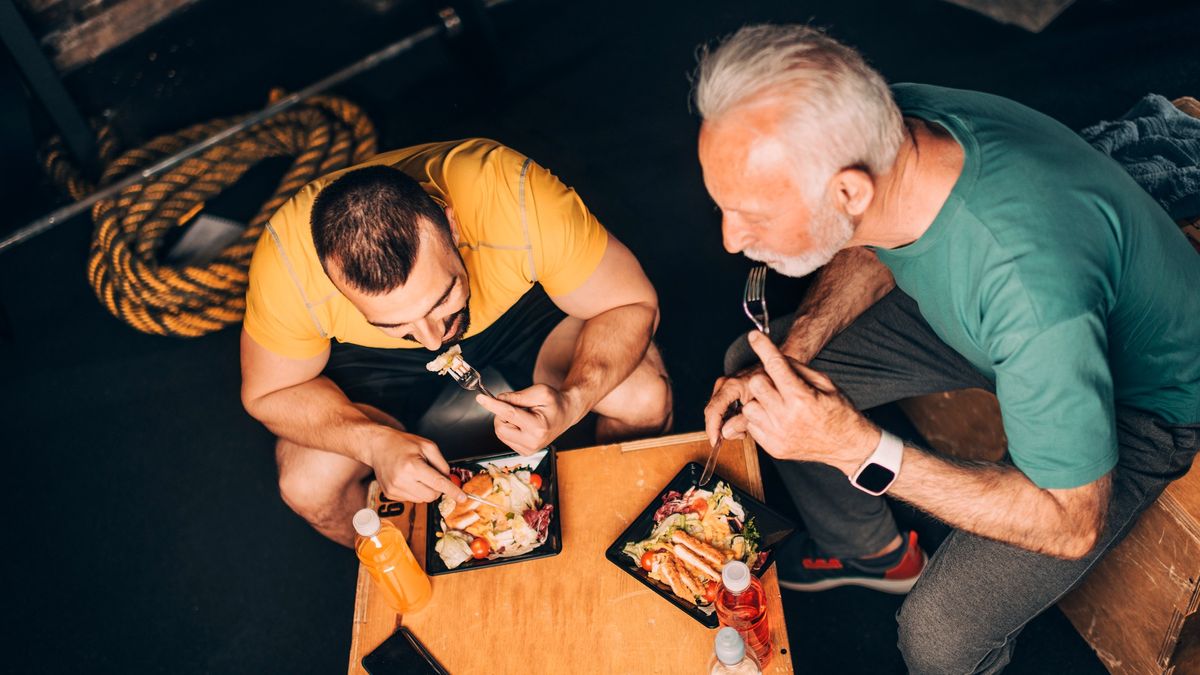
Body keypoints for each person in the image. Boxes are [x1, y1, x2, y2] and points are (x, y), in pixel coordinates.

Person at [695, 24, 1199, 672]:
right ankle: (872, 551)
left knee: (937, 636)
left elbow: (1072, 521)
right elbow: (874, 239)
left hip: (1139, 395)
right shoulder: (890, 125)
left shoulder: (1030, 292)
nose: (732, 240)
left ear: (847, 188)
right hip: (1006, 330)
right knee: (758, 369)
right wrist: (795, 355)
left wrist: (855, 447)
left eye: (751, 214)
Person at [240, 138, 672, 546]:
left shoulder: (513, 194)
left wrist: (576, 399)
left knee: (643, 398)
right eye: (393, 322)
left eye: (441, 300)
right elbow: (269, 393)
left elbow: (632, 302)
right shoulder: (287, 269)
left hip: (519, 314)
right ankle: (415, 571)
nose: (432, 339)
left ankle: (600, 532)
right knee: (306, 485)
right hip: (373, 363)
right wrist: (370, 442)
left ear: (451, 224)